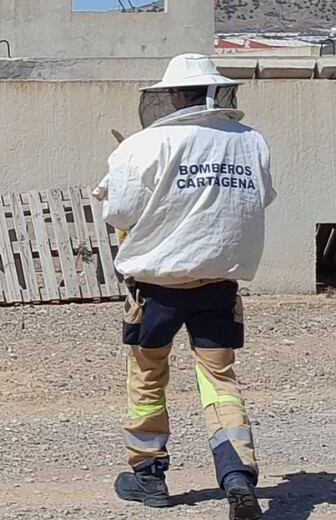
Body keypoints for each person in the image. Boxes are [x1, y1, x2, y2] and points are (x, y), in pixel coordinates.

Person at [96, 53, 274, 520]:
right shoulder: (251, 142)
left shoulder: (142, 146)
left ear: (172, 95)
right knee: (219, 380)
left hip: (155, 288)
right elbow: (262, 197)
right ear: (216, 92)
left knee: (148, 377)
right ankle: (236, 474)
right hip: (218, 284)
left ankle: (148, 476)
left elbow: (118, 212)